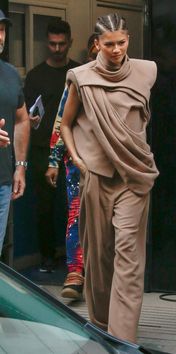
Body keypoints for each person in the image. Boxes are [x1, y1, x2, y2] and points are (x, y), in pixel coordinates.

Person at [61, 13, 158, 343]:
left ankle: (123, 340)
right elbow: (65, 123)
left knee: (129, 254)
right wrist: (77, 159)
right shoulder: (81, 77)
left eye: (121, 42)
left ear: (128, 38)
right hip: (97, 178)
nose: (116, 49)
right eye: (109, 44)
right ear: (97, 44)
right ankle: (102, 327)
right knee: (100, 258)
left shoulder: (147, 71)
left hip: (133, 178)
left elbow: (138, 121)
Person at [45, 35, 98, 299]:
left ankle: (101, 274)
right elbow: (61, 120)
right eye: (97, 50)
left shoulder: (128, 77)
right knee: (77, 213)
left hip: (114, 161)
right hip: (78, 159)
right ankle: (75, 272)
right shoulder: (77, 79)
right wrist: (54, 161)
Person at [24, 19, 79, 272]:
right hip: (41, 149)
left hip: (73, 148)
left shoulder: (78, 73)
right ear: (47, 43)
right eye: (53, 44)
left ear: (69, 43)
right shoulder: (35, 75)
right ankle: (47, 256)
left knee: (74, 205)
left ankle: (74, 258)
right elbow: (23, 115)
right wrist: (31, 120)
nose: (57, 49)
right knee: (44, 206)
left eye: (62, 44)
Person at [0, 9, 30, 257]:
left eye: (0, 30)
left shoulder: (10, 74)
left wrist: (20, 164)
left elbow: (21, 118)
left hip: (2, 181)